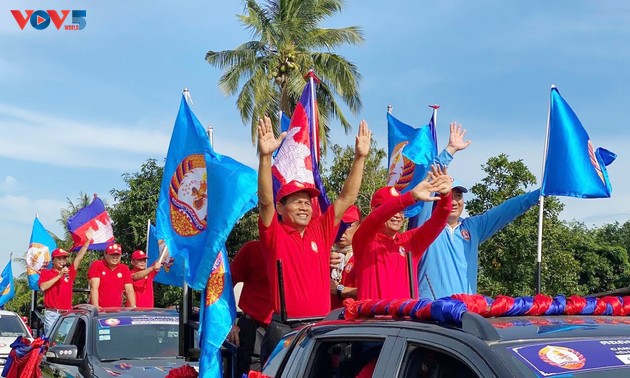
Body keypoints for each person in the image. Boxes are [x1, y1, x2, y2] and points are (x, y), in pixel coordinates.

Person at [257, 116, 371, 362]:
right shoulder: (273, 233)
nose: (305, 207)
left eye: (308, 202)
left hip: (322, 329)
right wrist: (265, 158)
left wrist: (360, 158)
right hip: (285, 330)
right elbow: (265, 201)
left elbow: (345, 199)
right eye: (297, 201)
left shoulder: (320, 229)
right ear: (281, 208)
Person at [417, 180, 541, 299]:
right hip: (430, 314)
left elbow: (505, 211)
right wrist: (444, 159)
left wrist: (538, 194)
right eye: (447, 196)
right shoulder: (425, 226)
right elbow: (423, 186)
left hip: (466, 313)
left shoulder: (473, 227)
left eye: (458, 195)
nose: (454, 202)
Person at [353, 165, 452, 300]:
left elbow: (438, 223)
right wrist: (409, 197)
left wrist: (446, 196)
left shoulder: (410, 241)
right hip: (372, 320)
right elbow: (376, 218)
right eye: (393, 210)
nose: (398, 215)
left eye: (401, 211)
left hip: (405, 320)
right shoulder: (364, 239)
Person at [227, 240, 272, 376]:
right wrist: (229, 323)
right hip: (254, 329)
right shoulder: (253, 249)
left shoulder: (305, 251)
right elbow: (225, 284)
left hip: (290, 331)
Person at [38, 238, 91, 335]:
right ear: (53, 260)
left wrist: (87, 243)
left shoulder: (69, 273)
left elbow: (78, 258)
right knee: (51, 341)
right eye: (59, 258)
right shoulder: (46, 273)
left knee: (65, 341)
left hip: (67, 314)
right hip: (52, 314)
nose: (62, 261)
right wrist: (59, 275)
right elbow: (43, 287)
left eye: (64, 258)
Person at [330, 205, 361, 309]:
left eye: (348, 225)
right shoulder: (326, 255)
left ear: (359, 226)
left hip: (354, 321)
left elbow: (373, 291)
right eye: (337, 225)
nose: (341, 230)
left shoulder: (365, 255)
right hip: (327, 320)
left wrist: (339, 289)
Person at [88, 243, 136, 308]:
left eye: (117, 255)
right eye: (112, 254)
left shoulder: (124, 269)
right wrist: (95, 306)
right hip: (100, 310)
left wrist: (133, 306)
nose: (115, 257)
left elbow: (129, 289)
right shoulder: (97, 265)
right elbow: (94, 287)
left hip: (116, 311)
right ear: (105, 254)